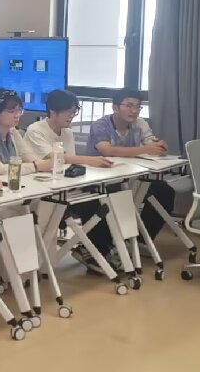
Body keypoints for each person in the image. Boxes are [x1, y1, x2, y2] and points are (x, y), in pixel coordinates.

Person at [74, 88, 176, 269]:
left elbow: (151, 143)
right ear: (115, 107)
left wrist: (158, 146)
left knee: (164, 191)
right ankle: (101, 248)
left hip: (130, 178)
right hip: (100, 179)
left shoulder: (140, 124)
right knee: (108, 199)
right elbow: (107, 150)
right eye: (129, 106)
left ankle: (140, 239)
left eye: (138, 106)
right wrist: (146, 149)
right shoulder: (100, 125)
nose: (134, 111)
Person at [24, 89, 113, 168]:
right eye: (67, 111)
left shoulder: (67, 132)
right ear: (52, 110)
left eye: (73, 112)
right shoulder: (35, 131)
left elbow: (70, 162)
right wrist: (90, 160)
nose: (71, 116)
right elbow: (57, 159)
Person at [0, 89, 53, 175]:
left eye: (19, 111)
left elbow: (29, 158)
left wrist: (45, 163)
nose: (17, 115)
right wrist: (35, 166)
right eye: (12, 111)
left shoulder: (12, 131)